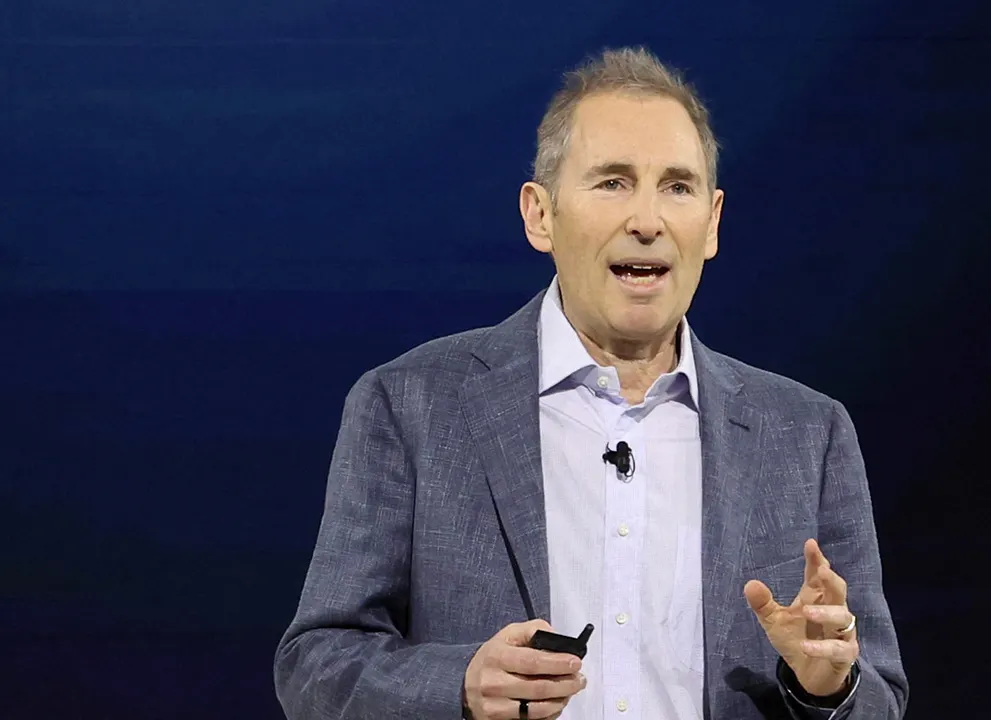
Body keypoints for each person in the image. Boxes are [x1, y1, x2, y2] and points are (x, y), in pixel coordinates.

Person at [274, 46, 908, 720]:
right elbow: (316, 665)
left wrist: (825, 687)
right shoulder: (410, 406)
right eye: (612, 182)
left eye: (677, 187)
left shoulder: (808, 434)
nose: (647, 220)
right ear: (540, 215)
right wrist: (458, 685)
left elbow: (878, 694)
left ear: (712, 222)